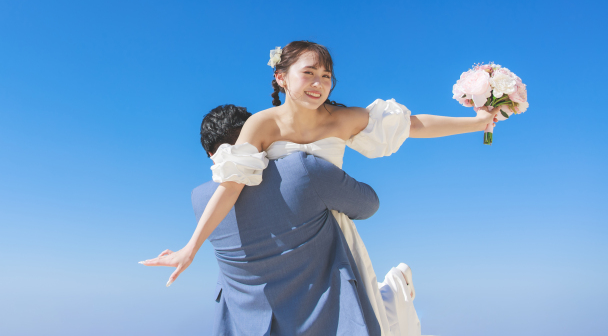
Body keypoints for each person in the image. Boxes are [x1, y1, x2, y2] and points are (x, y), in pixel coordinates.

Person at [142, 41, 508, 334]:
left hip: (329, 228)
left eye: (326, 75)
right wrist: (191, 247)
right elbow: (233, 183)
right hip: (289, 233)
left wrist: (477, 124)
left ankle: (393, 292)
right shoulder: (261, 124)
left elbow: (413, 125)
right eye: (309, 73)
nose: (319, 83)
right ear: (281, 77)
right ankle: (394, 290)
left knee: (353, 312)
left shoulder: (342, 118)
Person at [150, 103, 383, 335]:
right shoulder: (304, 170)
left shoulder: (200, 200)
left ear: (211, 155)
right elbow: (368, 205)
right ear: (259, 136)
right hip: (327, 323)